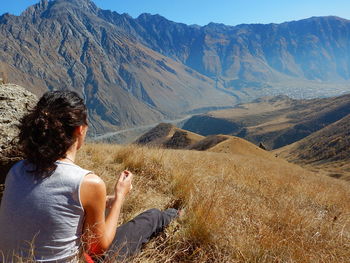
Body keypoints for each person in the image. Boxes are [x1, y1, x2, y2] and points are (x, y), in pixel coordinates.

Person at [0, 91, 178, 262]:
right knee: (152, 217)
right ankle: (175, 215)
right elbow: (98, 248)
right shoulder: (87, 182)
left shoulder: (16, 170)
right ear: (80, 129)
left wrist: (102, 201)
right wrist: (120, 198)